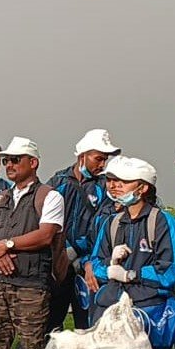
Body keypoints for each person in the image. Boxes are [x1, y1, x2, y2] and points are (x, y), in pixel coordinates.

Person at [84, 156, 175, 349]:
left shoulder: (162, 221)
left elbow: (170, 270)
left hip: (147, 312)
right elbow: (96, 261)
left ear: (143, 187)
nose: (113, 185)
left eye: (122, 181)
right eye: (110, 180)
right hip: (110, 308)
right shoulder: (112, 222)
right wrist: (109, 267)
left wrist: (130, 274)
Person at [0, 137, 65, 349]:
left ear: (33, 162)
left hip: (30, 286)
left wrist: (6, 245)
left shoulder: (50, 196)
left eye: (15, 160)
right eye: (6, 161)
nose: (9, 165)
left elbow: (46, 234)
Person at [46, 129, 120, 331]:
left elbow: (102, 227)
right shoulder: (58, 182)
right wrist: (61, 251)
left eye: (105, 159)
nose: (102, 164)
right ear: (83, 156)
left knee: (87, 325)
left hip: (86, 263)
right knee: (48, 323)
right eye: (98, 159)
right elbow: (45, 220)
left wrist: (83, 256)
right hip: (57, 263)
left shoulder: (104, 187)